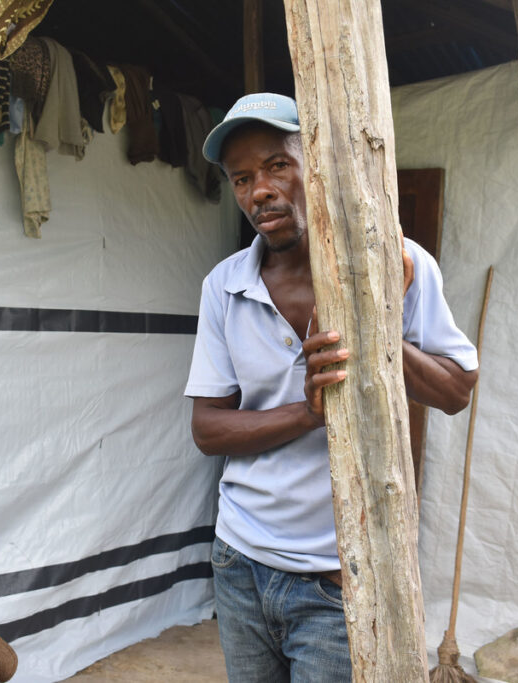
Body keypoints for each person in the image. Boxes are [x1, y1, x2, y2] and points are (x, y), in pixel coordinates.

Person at [186, 93, 480, 681]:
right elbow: (208, 429)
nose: (260, 191)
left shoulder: (399, 263)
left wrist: (379, 331)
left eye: (277, 166)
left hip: (339, 577)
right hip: (240, 561)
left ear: (314, 164)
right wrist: (306, 412)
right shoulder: (225, 286)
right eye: (242, 179)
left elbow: (455, 391)